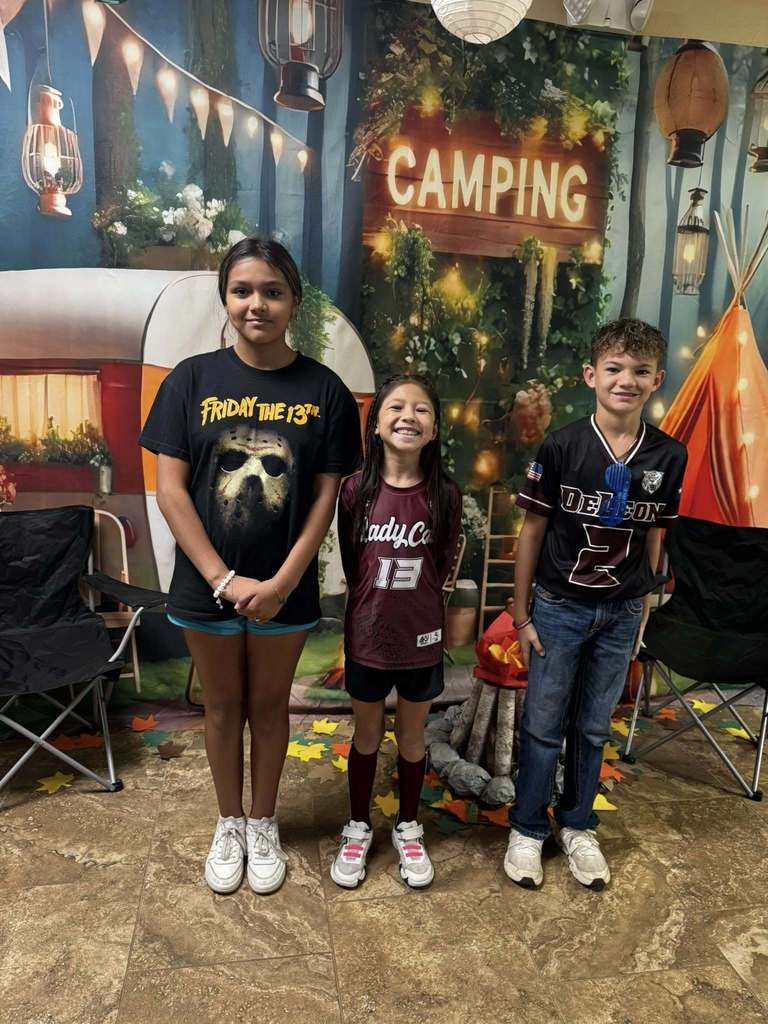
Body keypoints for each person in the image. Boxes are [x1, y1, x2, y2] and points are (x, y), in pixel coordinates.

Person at [139, 238, 361, 895]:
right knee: (221, 706)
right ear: (226, 298)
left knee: (269, 707)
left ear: (293, 300)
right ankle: (228, 821)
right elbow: (171, 490)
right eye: (242, 291)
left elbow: (326, 494)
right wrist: (221, 578)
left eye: (271, 291)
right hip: (206, 584)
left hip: (285, 586)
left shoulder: (324, 391)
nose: (255, 304)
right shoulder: (190, 381)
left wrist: (287, 580)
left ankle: (263, 821)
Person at [504, 318, 687, 891]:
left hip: (623, 610)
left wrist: (649, 602)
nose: (625, 381)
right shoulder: (562, 445)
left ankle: (578, 823)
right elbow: (532, 530)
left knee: (591, 725)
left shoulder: (668, 455)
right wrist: (521, 611)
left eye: (638, 371)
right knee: (543, 722)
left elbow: (656, 532)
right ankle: (528, 827)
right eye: (613, 369)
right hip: (559, 606)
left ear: (656, 379)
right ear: (591, 376)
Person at [330, 374, 462, 889]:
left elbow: (443, 565)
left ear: (433, 430)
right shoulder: (353, 491)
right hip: (367, 636)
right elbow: (351, 559)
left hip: (421, 639)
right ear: (378, 424)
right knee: (366, 735)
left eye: (422, 410)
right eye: (397, 408)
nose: (409, 416)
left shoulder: (445, 495)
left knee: (411, 737)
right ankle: (358, 826)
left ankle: (409, 825)